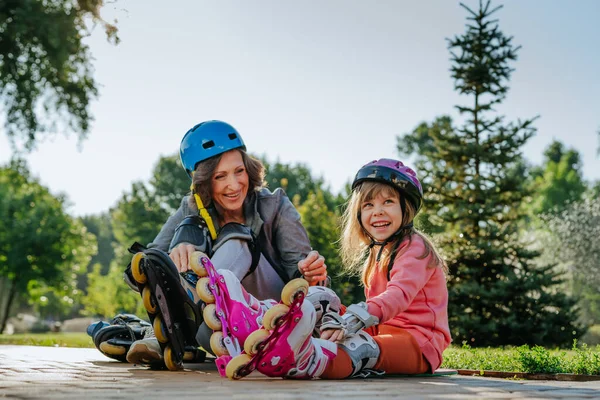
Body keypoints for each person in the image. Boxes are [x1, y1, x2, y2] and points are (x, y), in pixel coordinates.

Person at [121, 120, 328, 367]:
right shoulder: (191, 206)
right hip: (218, 330)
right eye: (220, 176)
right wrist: (177, 253)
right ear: (204, 181)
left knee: (236, 237)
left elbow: (310, 284)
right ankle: (173, 330)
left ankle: (178, 327)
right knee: (186, 234)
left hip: (273, 318)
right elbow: (144, 267)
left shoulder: (276, 206)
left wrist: (311, 273)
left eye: (239, 171)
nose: (234, 184)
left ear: (249, 168)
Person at [227, 158, 451, 379]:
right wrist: (317, 286)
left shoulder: (415, 248)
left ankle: (301, 359)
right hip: (381, 331)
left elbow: (398, 296)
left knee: (360, 347)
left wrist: (353, 319)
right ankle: (262, 320)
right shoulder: (378, 252)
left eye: (388, 202)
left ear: (407, 207)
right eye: (368, 205)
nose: (378, 211)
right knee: (323, 299)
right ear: (359, 213)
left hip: (419, 343)